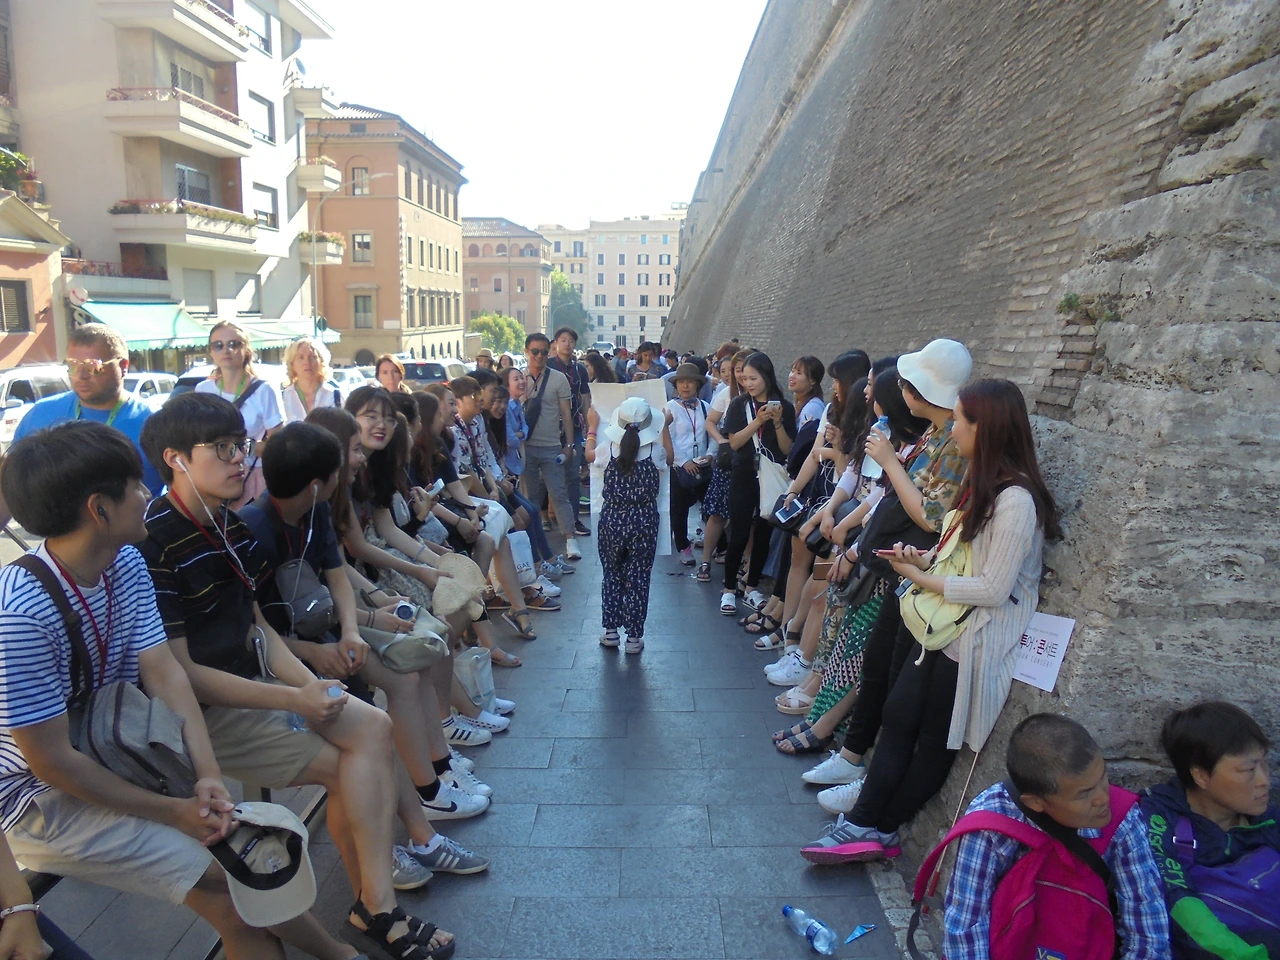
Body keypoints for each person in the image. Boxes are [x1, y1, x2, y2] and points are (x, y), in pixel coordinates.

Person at [138, 394, 456, 960]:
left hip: (258, 686)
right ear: (175, 459)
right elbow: (182, 676)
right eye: (224, 448)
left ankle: (377, 901)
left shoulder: (227, 524)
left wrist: (304, 685)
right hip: (200, 717)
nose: (241, 460)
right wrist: (294, 695)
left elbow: (258, 625)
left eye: (241, 446)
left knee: (373, 726)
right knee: (352, 762)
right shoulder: (154, 541)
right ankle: (377, 907)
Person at [0, 421, 300, 959]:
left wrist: (207, 775)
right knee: (243, 869)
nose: (148, 494)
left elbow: (164, 673)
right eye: (136, 486)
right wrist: (172, 812)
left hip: (113, 755)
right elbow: (51, 763)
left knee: (242, 887)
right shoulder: (22, 615)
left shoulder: (125, 560)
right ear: (99, 509)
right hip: (35, 799)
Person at [802, 378, 1061, 854]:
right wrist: (922, 561)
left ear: (984, 428)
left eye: (960, 420)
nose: (953, 428)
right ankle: (866, 821)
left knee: (932, 739)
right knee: (900, 715)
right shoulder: (988, 484)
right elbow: (960, 558)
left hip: (971, 637)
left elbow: (993, 587)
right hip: (943, 628)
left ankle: (878, 827)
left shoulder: (1015, 500)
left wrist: (921, 577)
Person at [812, 338, 972, 814]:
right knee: (879, 666)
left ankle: (862, 768)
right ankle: (852, 756)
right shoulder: (936, 434)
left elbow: (932, 515)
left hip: (916, 571)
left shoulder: (953, 442)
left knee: (892, 676)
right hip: (903, 568)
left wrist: (887, 463)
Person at [934, 714, 1170, 960]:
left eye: (1103, 777)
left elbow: (1147, 923)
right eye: (1084, 794)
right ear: (1035, 803)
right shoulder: (990, 825)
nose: (1103, 798)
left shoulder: (1122, 819)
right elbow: (966, 924)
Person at [1141, 702, 1280, 960]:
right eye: (1249, 770)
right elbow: (1176, 898)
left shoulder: (1270, 823)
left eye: (1265, 764)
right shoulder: (1158, 818)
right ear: (1201, 776)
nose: (1264, 781)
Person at [11, 322, 162, 494]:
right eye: (72, 365)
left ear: (123, 366)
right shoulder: (40, 414)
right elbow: (11, 484)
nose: (81, 375)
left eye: (93, 366)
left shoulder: (154, 422)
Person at [585, 398, 673, 653]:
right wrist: (666, 427)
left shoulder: (607, 448)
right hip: (644, 520)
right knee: (639, 577)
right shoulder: (655, 451)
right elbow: (670, 459)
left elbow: (589, 455)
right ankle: (634, 638)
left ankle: (611, 631)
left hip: (612, 519)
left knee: (612, 573)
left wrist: (592, 428)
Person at [718, 351, 796, 616]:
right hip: (743, 473)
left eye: (754, 378)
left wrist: (777, 423)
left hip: (771, 477)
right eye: (745, 378)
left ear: (766, 376)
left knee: (764, 533)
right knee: (739, 532)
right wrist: (758, 421)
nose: (748, 383)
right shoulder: (739, 405)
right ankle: (729, 589)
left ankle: (751, 587)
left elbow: (786, 449)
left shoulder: (785, 407)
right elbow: (735, 442)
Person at [194, 321, 284, 510]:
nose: (226, 350)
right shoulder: (203, 390)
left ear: (246, 349)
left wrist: (242, 448)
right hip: (212, 477)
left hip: (250, 478)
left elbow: (278, 447)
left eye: (233, 344)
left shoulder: (264, 390)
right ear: (211, 351)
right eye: (218, 345)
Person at [521, 333, 581, 560]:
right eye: (535, 351)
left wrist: (569, 444)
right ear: (526, 352)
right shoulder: (519, 378)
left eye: (544, 352)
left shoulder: (558, 379)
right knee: (530, 497)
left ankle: (570, 539)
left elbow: (567, 413)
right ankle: (534, 541)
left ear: (550, 352)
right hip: (525, 447)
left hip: (551, 445)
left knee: (559, 493)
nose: (539, 356)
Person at [546, 327, 592, 537]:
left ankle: (573, 520)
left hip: (574, 427)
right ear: (556, 343)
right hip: (549, 429)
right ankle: (545, 516)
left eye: (571, 340)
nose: (567, 344)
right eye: (563, 340)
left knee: (573, 476)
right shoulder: (548, 366)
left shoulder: (579, 369)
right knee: (546, 476)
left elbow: (585, 399)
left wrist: (589, 428)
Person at [666, 363, 712, 566]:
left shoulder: (705, 407)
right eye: (681, 382)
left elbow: (713, 434)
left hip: (703, 465)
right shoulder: (670, 408)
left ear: (697, 385)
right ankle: (683, 546)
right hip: (680, 467)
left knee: (710, 506)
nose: (685, 386)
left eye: (690, 382)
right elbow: (667, 438)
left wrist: (710, 455)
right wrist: (684, 461)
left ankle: (715, 543)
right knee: (679, 507)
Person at [281, 336, 342, 422]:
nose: (307, 362)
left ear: (321, 362)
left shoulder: (336, 396)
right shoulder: (283, 398)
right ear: (292, 363)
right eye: (301, 357)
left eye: (313, 357)